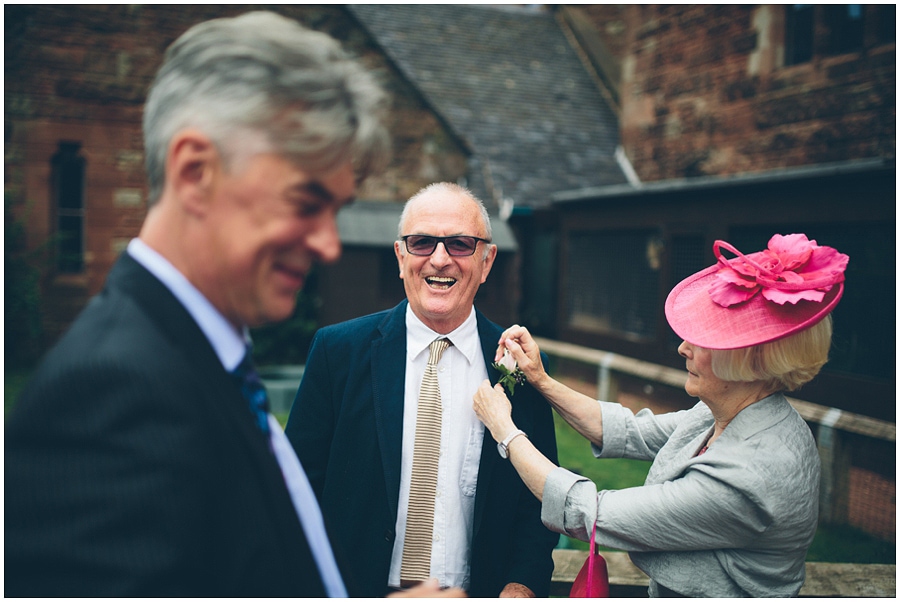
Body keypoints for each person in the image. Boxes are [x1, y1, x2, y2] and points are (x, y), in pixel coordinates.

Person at [5, 11, 463, 598]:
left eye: (336, 211)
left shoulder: (199, 358)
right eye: (305, 201)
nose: (327, 243)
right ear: (195, 172)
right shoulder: (113, 393)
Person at [473, 233, 849, 597]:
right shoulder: (727, 413)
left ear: (749, 360)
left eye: (701, 341)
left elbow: (588, 511)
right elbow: (627, 431)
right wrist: (540, 379)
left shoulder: (752, 477)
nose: (683, 348)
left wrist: (504, 430)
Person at [285, 182, 559, 597]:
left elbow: (536, 500)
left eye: (461, 244)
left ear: (487, 262)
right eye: (422, 242)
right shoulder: (337, 353)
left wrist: (520, 585)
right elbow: (295, 491)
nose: (440, 259)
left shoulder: (519, 365)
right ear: (400, 256)